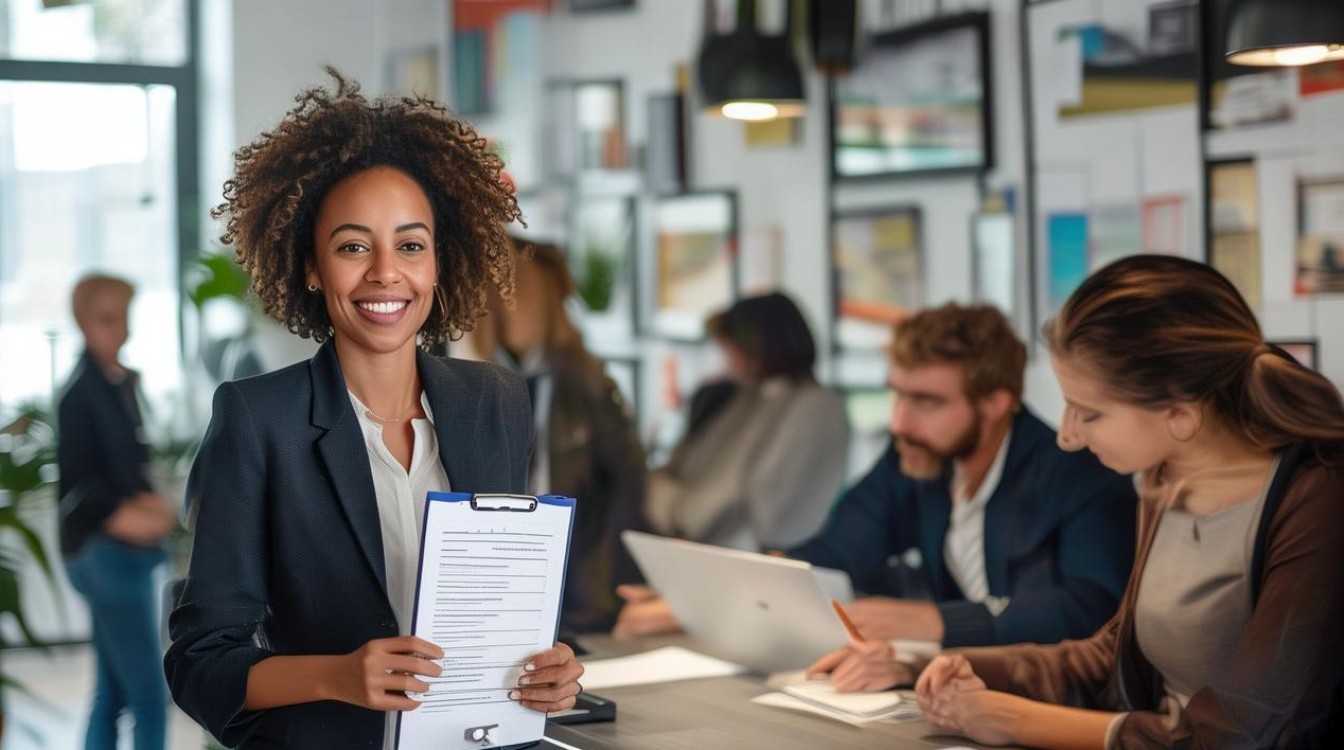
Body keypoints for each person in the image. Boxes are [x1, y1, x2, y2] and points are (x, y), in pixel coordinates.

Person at [163, 71, 582, 750]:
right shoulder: (257, 417)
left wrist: (551, 665)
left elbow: (505, 604)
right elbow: (199, 664)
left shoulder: (495, 400)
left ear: (439, 263)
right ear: (311, 267)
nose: (386, 273)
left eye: (411, 246)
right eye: (354, 246)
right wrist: (336, 676)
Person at [916, 255, 1344, 749]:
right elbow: (1113, 659)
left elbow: (1247, 735)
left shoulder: (1319, 497)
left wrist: (1015, 720)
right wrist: (948, 666)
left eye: (1089, 413)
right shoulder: (1165, 481)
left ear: (1178, 415)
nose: (1067, 436)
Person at [616, 304, 1137, 677]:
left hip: (1045, 704)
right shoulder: (915, 460)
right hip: (944, 692)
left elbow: (1090, 609)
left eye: (926, 402)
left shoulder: (1080, 476)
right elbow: (833, 553)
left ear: (996, 403)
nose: (900, 423)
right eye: (896, 397)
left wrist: (937, 620)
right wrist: (709, 598)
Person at [468, 237, 649, 633]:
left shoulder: (587, 382)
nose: (515, 311)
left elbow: (627, 485)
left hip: (578, 573)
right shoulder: (475, 381)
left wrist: (600, 585)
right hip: (502, 566)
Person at [58, 273, 176, 750]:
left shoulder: (117, 384)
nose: (120, 331)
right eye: (107, 320)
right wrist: (144, 517)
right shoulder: (80, 394)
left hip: (118, 555)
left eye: (124, 318)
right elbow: (83, 491)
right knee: (150, 697)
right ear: (83, 323)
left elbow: (127, 470)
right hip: (104, 557)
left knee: (112, 693)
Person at [642, 292, 849, 551]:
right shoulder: (750, 396)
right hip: (706, 538)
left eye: (733, 349)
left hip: (755, 552)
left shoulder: (813, 406)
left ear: (758, 347)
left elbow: (751, 497)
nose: (730, 360)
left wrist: (678, 511)